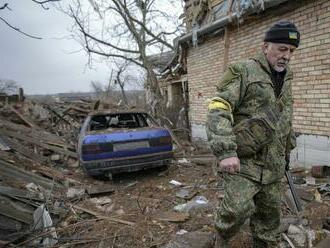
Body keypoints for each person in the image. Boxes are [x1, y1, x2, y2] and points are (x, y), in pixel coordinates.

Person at [206, 21, 300, 248]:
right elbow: (219, 106)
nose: (286, 56)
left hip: (274, 166)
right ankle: (221, 238)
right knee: (234, 212)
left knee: (268, 223)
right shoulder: (243, 70)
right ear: (265, 46)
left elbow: (284, 118)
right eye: (282, 48)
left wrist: (286, 153)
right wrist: (226, 151)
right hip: (244, 161)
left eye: (291, 51)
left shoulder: (287, 76)